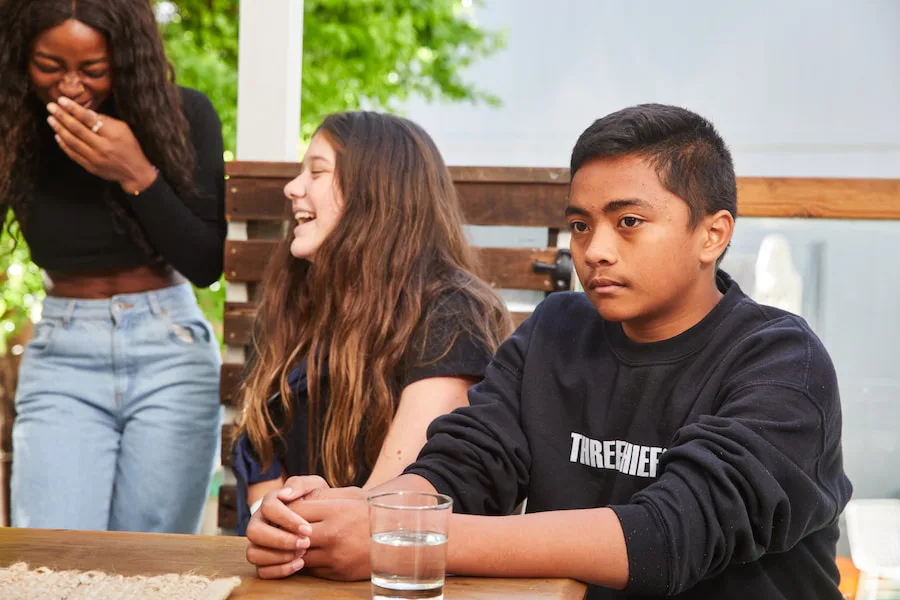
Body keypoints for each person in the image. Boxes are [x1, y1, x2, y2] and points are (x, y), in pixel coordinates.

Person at [244, 104, 854, 599]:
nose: (596, 250)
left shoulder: (781, 362)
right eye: (582, 224)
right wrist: (337, 516)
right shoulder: (556, 327)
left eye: (630, 221)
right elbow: (463, 466)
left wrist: (401, 535)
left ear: (712, 234)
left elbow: (666, 538)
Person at [0, 0, 225, 533]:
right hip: (63, 354)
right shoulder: (12, 125)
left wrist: (136, 173)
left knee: (152, 568)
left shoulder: (184, 115)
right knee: (51, 561)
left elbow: (206, 263)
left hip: (169, 350)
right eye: (49, 67)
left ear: (126, 59)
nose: (72, 87)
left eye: (94, 70)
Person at [230, 111, 511, 535]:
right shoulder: (293, 305)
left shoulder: (450, 313)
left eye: (317, 172)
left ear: (376, 192)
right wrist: (274, 524)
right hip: (298, 562)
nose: (292, 188)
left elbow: (393, 505)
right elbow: (262, 466)